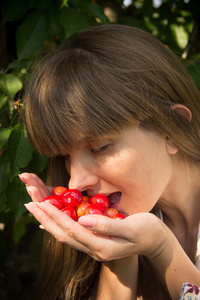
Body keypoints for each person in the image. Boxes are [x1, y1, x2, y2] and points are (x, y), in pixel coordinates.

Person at [19, 24, 200, 300]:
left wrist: (162, 249)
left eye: (100, 147)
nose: (74, 183)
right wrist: (120, 254)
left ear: (172, 130)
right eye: (66, 157)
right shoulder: (139, 214)